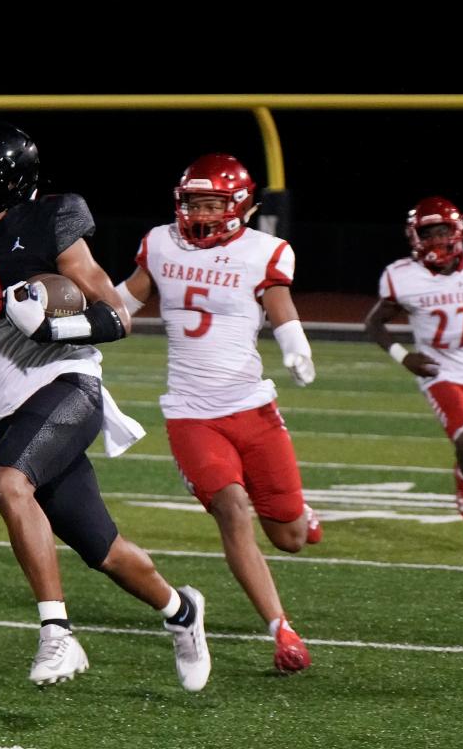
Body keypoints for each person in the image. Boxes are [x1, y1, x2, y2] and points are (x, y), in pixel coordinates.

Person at [0, 119, 210, 690]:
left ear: (4, 178)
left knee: (6, 482)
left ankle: (58, 635)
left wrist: (57, 327)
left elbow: (117, 315)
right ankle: (181, 611)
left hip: (69, 383)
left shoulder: (51, 217)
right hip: (11, 406)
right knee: (103, 550)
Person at [116, 153, 321, 674]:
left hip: (251, 406)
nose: (202, 213)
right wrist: (71, 319)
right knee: (232, 509)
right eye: (194, 202)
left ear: (241, 207)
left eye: (213, 202)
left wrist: (295, 343)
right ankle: (282, 629)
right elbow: (126, 301)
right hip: (190, 412)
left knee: (290, 537)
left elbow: (280, 306)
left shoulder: (264, 251)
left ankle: (303, 514)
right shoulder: (161, 244)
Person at [364, 196, 463, 553]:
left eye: (441, 231)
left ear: (458, 231)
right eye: (427, 232)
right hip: (438, 370)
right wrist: (402, 356)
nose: (434, 239)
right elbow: (374, 322)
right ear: (414, 236)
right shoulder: (403, 276)